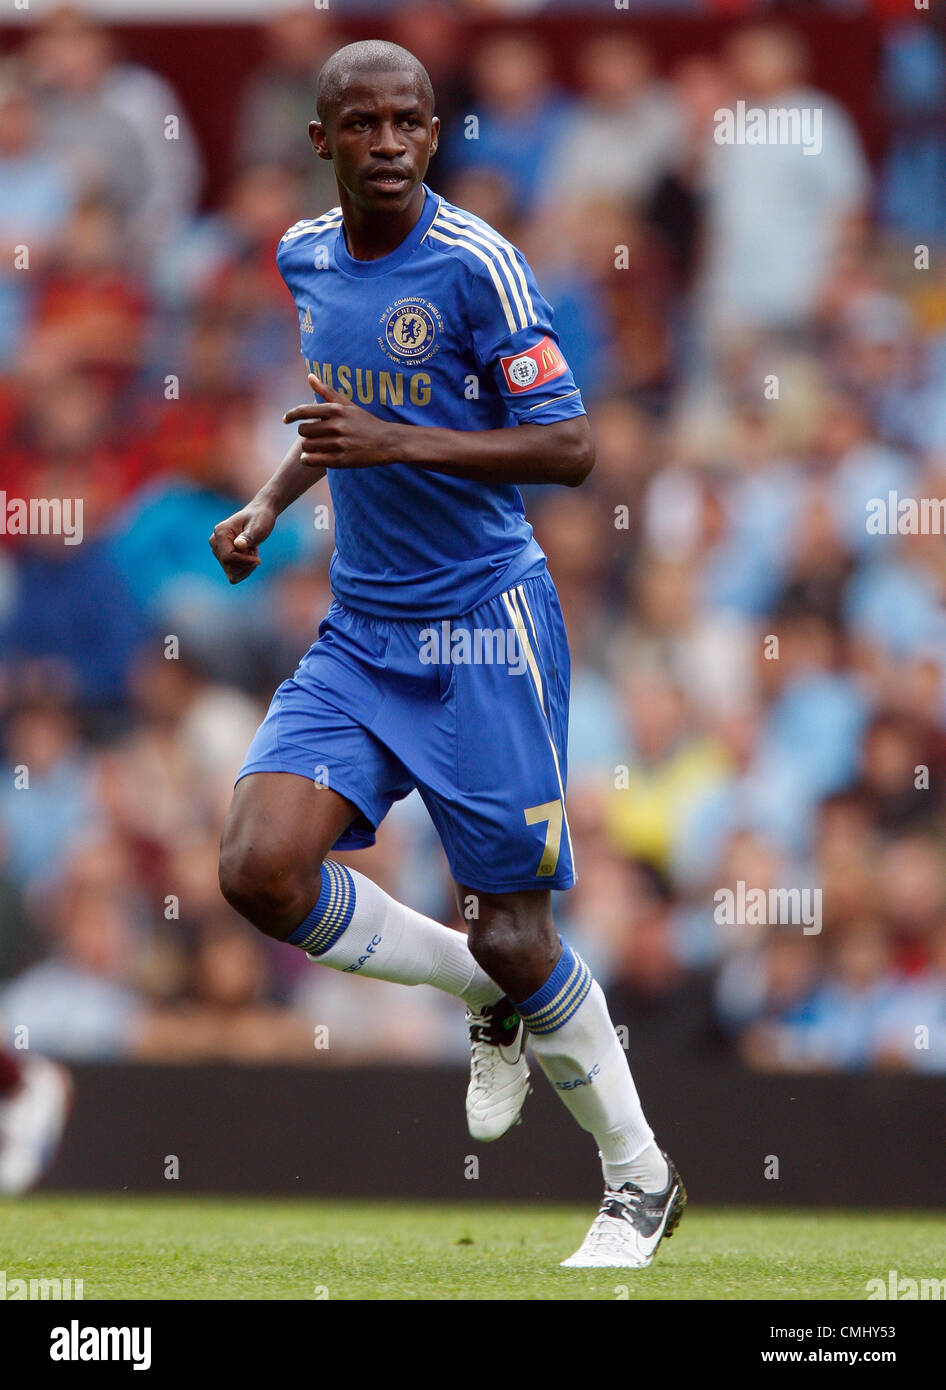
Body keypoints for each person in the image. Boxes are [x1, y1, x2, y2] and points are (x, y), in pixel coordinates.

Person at [210, 39, 685, 1269]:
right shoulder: (303, 253)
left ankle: (640, 1180)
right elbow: (337, 416)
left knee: (520, 931)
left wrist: (398, 442)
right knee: (257, 868)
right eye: (358, 123)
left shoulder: (479, 265)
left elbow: (572, 448)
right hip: (364, 627)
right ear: (320, 141)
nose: (383, 142)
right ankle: (480, 995)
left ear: (433, 135)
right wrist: (270, 502)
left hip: (485, 623)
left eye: (406, 122)